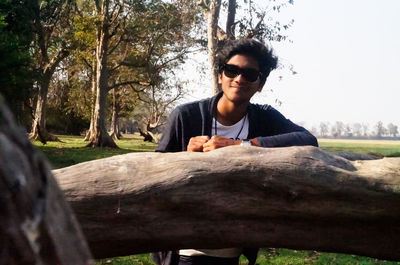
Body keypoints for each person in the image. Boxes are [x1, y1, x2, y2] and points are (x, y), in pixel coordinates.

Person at [152, 38, 318, 265]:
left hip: (231, 253)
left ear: (260, 84)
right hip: (185, 253)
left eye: (250, 75)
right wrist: (184, 159)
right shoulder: (185, 116)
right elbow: (153, 176)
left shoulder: (264, 117)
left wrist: (242, 146)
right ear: (221, 76)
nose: (239, 79)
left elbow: (308, 140)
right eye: (231, 70)